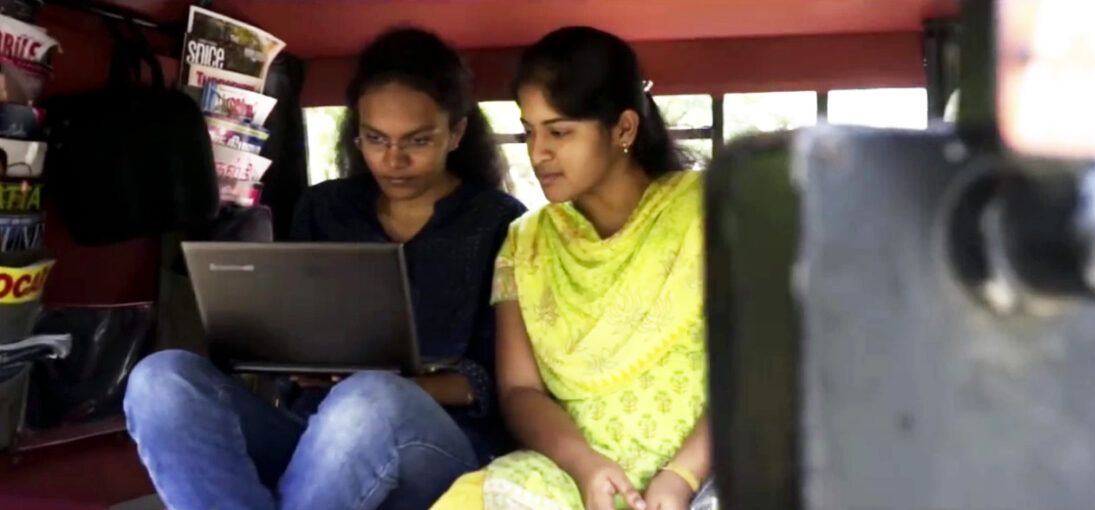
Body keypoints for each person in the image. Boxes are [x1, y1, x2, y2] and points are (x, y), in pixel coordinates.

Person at [123, 27, 525, 510]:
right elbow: (288, 349)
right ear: (356, 133)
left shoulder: (500, 222)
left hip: (441, 446)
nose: (393, 160)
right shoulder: (325, 207)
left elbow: (494, 383)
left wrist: (385, 385)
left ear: (456, 133)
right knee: (160, 380)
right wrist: (283, 357)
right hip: (314, 432)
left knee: (369, 398)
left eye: (417, 141)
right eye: (375, 139)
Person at [431, 26, 710, 510]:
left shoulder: (710, 214)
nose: (538, 152)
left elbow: (760, 373)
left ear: (623, 128)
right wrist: (584, 464)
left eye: (559, 131)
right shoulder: (526, 242)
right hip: (574, 471)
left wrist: (681, 477)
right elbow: (519, 390)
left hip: (708, 467)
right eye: (529, 131)